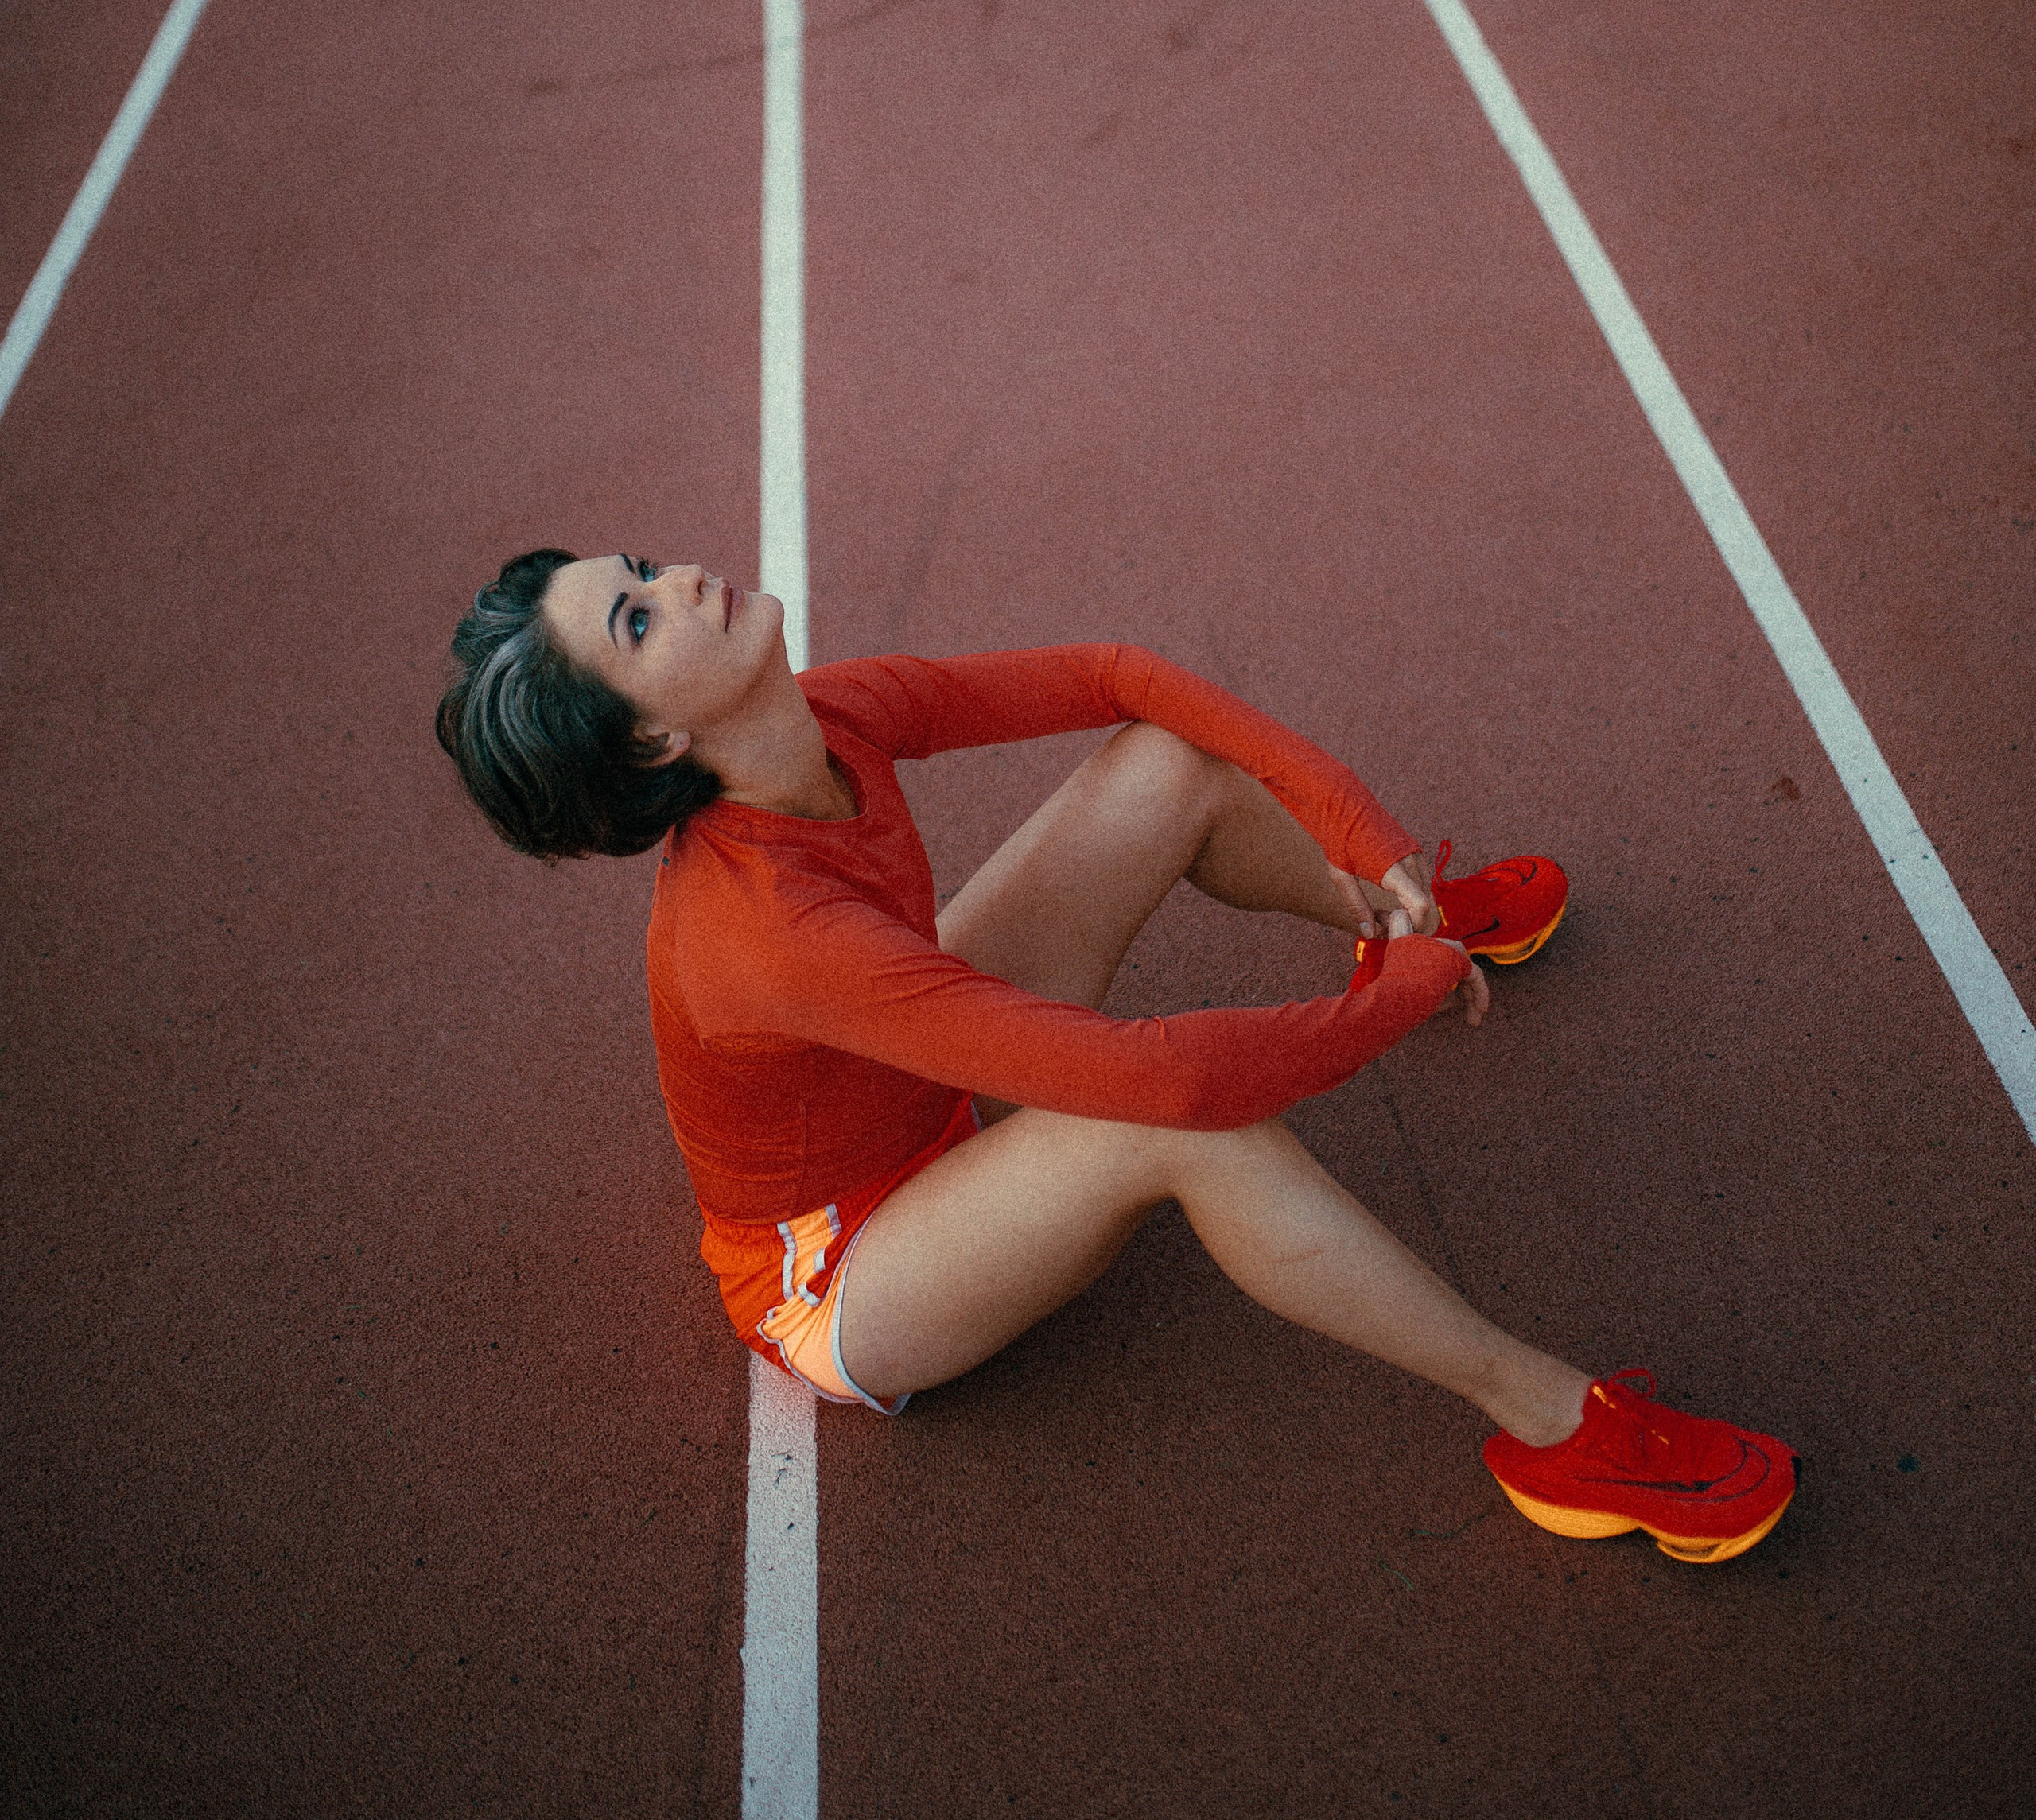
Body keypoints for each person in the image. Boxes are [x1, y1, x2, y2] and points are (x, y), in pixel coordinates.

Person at [436, 546, 1796, 1566]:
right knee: (1183, 1128)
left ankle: (1397, 913)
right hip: (850, 1265)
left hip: (918, 1078)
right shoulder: (772, 935)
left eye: (638, 570)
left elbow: (1116, 677)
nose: (679, 575)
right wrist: (1385, 1017)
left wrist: (1356, 820)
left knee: (1165, 763)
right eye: (637, 617)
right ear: (656, 739)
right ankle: (1559, 1430)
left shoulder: (825, 716)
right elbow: (1175, 1084)